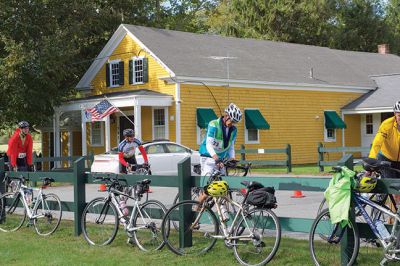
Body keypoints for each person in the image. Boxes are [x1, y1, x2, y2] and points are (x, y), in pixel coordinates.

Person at [196, 103, 243, 210]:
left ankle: (222, 213)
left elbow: (231, 145)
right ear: (226, 116)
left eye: (235, 122)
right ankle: (196, 205)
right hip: (208, 157)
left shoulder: (234, 130)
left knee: (222, 186)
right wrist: (216, 158)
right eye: (232, 121)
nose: (233, 124)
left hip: (221, 160)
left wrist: (232, 159)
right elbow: (208, 144)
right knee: (207, 188)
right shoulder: (213, 124)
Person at [369, 101, 400, 178]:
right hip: (387, 158)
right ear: (395, 114)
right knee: (391, 183)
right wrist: (372, 158)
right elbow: (377, 142)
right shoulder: (386, 125)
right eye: (399, 115)